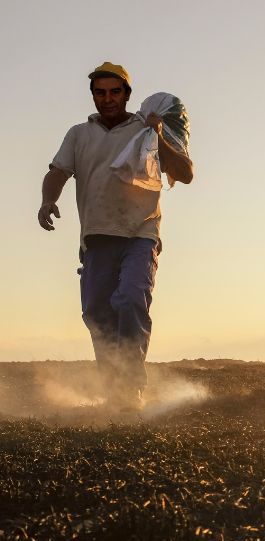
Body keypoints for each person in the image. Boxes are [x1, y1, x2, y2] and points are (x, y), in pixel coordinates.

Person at [38, 62, 193, 409]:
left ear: (127, 95)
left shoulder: (146, 128)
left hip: (141, 232)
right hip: (96, 236)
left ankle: (131, 388)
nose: (107, 99)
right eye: (100, 92)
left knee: (131, 298)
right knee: (95, 311)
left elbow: (185, 173)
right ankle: (113, 385)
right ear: (92, 95)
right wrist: (48, 200)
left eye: (115, 92)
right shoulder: (78, 134)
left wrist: (161, 134)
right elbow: (57, 172)